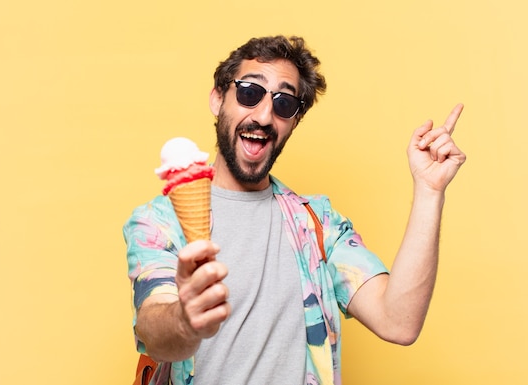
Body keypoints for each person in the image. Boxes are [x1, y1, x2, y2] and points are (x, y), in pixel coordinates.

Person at [123, 35, 466, 385]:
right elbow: (154, 330)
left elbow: (399, 321)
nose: (265, 115)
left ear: (295, 121)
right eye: (249, 92)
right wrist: (184, 319)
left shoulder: (318, 224)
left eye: (284, 103)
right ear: (217, 98)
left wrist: (429, 190)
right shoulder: (158, 222)